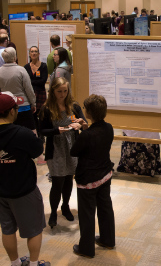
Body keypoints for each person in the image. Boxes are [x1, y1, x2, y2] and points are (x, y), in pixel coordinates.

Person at [0, 91, 50, 266]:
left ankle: (15, 263)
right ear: (12, 111)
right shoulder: (23, 133)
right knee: (34, 230)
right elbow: (38, 152)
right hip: (24, 190)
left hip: (1, 192)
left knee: (7, 230)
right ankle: (34, 264)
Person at [71, 94, 115, 258]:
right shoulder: (108, 127)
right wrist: (85, 128)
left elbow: (74, 151)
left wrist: (79, 131)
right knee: (105, 208)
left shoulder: (87, 135)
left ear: (88, 112)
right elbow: (95, 137)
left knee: (87, 214)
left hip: (88, 179)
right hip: (105, 174)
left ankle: (86, 248)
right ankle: (107, 239)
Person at [39, 77, 86, 228]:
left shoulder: (73, 106)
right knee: (57, 181)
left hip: (71, 147)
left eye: (65, 91)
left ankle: (65, 206)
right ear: (52, 91)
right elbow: (42, 131)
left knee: (68, 179)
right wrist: (55, 130)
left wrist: (80, 124)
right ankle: (53, 212)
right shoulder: (47, 108)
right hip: (56, 147)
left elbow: (84, 122)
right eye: (59, 91)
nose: (63, 94)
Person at [0, 48, 36, 132]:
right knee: (30, 132)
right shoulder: (21, 70)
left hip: (7, 108)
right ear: (14, 57)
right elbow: (29, 89)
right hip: (23, 105)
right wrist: (33, 103)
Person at [24, 46, 48, 155]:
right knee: (32, 115)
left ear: (38, 53)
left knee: (41, 115)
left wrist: (31, 82)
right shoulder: (25, 67)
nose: (33, 53)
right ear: (29, 54)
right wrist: (33, 82)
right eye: (32, 51)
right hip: (30, 94)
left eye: (35, 51)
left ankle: (42, 135)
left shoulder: (43, 66)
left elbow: (43, 81)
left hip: (40, 94)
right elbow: (25, 82)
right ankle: (35, 136)